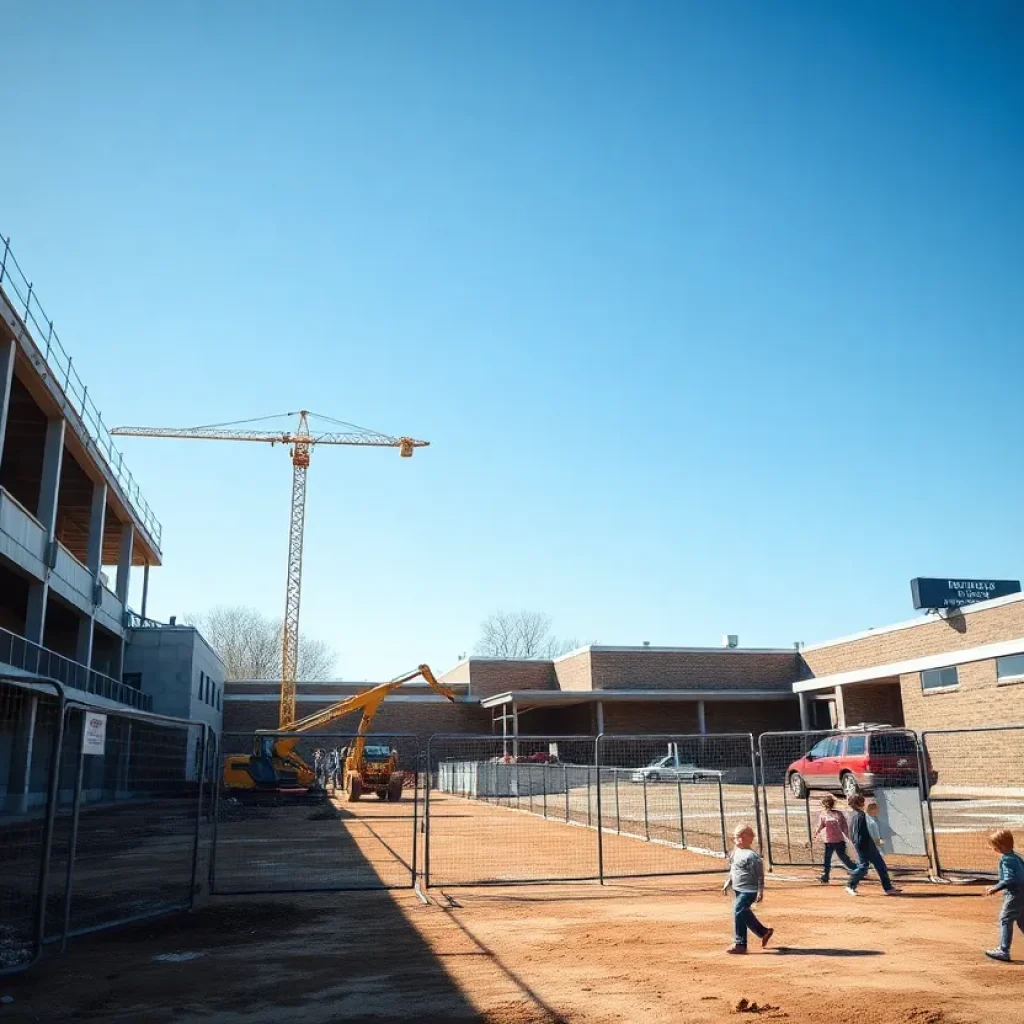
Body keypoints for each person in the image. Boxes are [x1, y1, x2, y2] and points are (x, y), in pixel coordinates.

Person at [722, 824, 774, 954]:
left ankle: (740, 944)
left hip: (749, 891)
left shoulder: (752, 857)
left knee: (738, 910)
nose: (736, 839)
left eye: (739, 836)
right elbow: (733, 870)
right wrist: (728, 882)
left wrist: (760, 891)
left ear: (748, 838)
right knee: (744, 912)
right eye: (735, 837)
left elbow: (760, 876)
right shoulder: (735, 852)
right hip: (738, 889)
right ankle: (763, 932)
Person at [845, 793, 900, 896]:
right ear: (859, 803)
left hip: (868, 844)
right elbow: (860, 833)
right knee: (863, 866)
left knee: (880, 865)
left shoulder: (859, 814)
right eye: (862, 802)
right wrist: (875, 841)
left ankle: (888, 888)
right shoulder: (859, 815)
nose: (864, 803)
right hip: (863, 844)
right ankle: (850, 885)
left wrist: (874, 842)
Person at [984, 829, 1024, 962]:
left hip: (1015, 894)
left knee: (1005, 919)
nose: (993, 849)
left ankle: (1003, 950)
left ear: (1000, 847)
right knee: (1022, 921)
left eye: (994, 846)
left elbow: (1009, 879)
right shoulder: (1017, 857)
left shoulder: (1006, 860)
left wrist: (995, 888)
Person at [813, 794, 856, 884]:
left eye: (828, 804)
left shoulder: (837, 814)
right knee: (827, 858)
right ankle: (825, 876)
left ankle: (857, 869)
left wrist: (848, 836)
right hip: (828, 840)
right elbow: (821, 825)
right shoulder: (823, 814)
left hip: (838, 840)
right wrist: (816, 833)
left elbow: (844, 826)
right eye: (826, 804)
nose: (827, 806)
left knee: (843, 857)